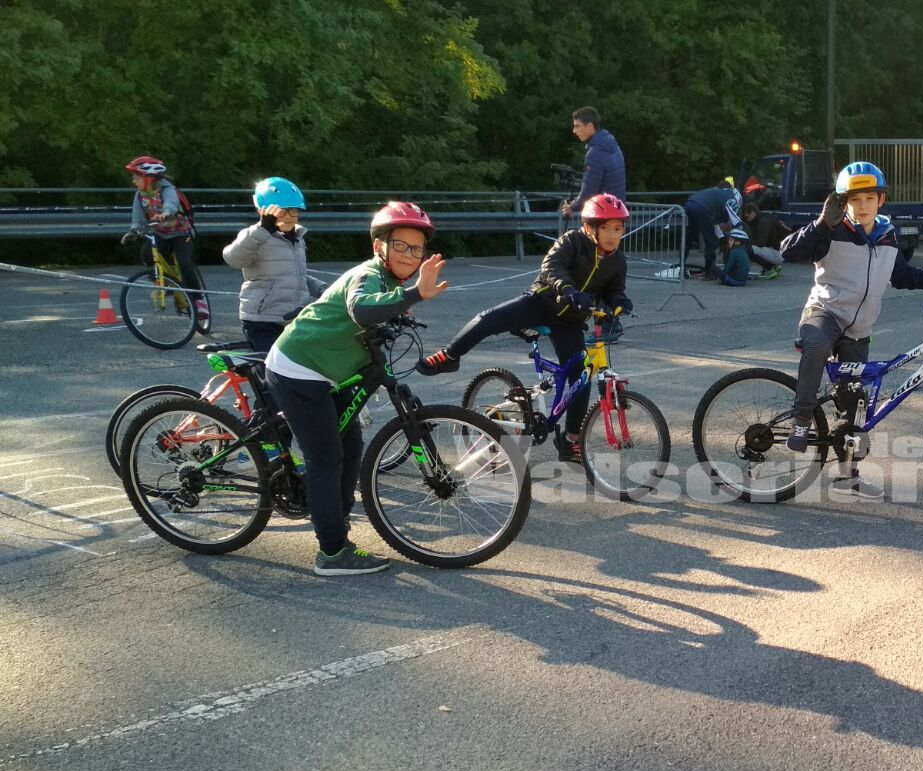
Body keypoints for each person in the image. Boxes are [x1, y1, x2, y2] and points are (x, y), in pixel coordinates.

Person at [265, 202, 450, 576]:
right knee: (325, 458)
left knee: (351, 448)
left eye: (417, 249)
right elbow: (362, 309)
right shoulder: (367, 274)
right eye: (400, 245)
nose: (409, 255)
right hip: (297, 368)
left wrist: (400, 308)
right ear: (379, 246)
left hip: (325, 371)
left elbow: (380, 307)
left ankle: (335, 518)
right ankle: (331, 553)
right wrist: (414, 294)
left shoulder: (389, 280)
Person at [779, 162, 923, 497]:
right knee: (816, 346)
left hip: (859, 328)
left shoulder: (888, 235)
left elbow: (901, 275)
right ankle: (801, 420)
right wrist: (821, 224)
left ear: (881, 200)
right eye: (854, 199)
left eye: (869, 198)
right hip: (825, 313)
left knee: (855, 403)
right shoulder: (831, 230)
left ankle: (848, 477)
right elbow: (788, 251)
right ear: (842, 202)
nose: (862, 206)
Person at [416, 194, 633, 464]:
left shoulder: (617, 260)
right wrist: (569, 290)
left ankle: (570, 441)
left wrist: (619, 301)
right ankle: (449, 355)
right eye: (606, 228)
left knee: (581, 379)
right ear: (589, 227)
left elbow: (614, 290)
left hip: (570, 321)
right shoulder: (572, 241)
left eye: (618, 228)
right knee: (488, 319)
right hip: (540, 303)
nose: (613, 235)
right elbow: (551, 267)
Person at [222, 177, 327, 352]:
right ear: (262, 210)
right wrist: (263, 229)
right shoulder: (254, 236)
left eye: (293, 211)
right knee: (271, 365)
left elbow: (297, 276)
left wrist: (323, 289)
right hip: (262, 319)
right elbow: (233, 258)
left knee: (301, 363)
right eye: (281, 212)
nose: (288, 217)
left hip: (292, 318)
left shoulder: (298, 239)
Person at [122, 156, 208, 329]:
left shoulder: (168, 189)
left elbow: (171, 203)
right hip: (160, 233)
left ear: (149, 178)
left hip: (181, 233)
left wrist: (166, 213)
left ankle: (199, 301)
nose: (134, 181)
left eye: (136, 178)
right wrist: (133, 231)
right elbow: (138, 218)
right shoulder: (140, 196)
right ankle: (164, 281)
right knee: (147, 254)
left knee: (184, 262)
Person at [561, 106, 626, 216]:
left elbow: (589, 191)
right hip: (618, 211)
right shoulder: (612, 145)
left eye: (577, 126)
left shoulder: (595, 153)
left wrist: (572, 207)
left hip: (602, 215)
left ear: (590, 126)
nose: (574, 131)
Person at [682, 179, 741, 281]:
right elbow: (733, 218)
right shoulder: (732, 196)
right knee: (710, 241)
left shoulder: (714, 192)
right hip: (703, 208)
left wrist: (722, 223)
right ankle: (709, 271)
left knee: (686, 239)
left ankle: (681, 268)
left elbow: (716, 213)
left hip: (689, 203)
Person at [740, 201, 789, 280]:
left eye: (747, 217)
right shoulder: (765, 217)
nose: (746, 219)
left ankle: (769, 269)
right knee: (753, 247)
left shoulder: (763, 222)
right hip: (781, 251)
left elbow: (761, 243)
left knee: (749, 249)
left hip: (779, 253)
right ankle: (775, 266)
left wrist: (746, 241)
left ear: (752, 213)